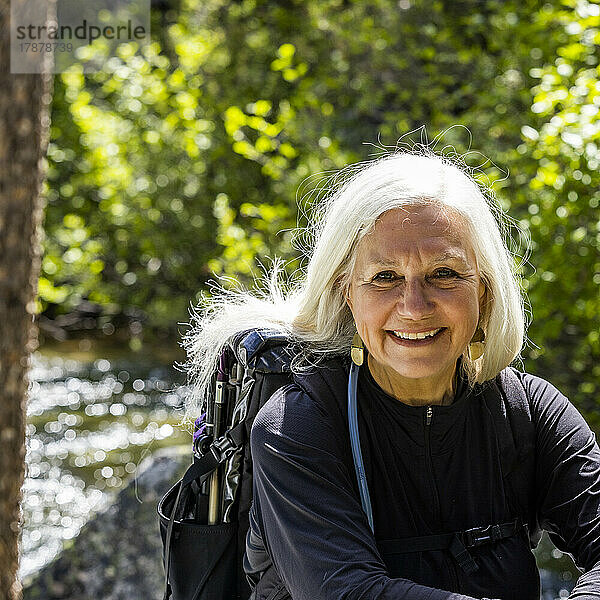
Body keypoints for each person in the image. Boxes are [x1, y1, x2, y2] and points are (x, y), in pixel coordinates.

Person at [184, 151, 600, 599]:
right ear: (347, 294)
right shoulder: (297, 425)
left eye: (444, 273)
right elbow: (349, 592)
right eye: (385, 277)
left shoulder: (529, 412)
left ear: (484, 289)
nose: (414, 306)